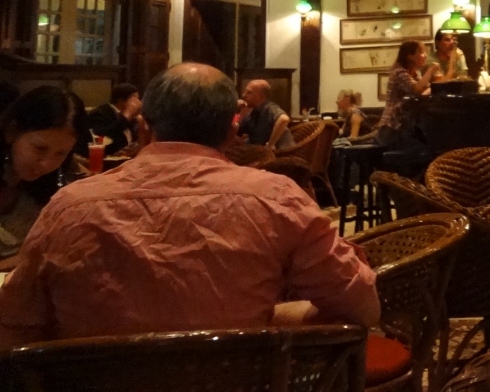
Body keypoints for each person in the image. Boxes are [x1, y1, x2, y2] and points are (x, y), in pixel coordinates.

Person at [0, 63, 379, 346]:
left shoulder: (69, 205)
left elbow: (15, 325)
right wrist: (270, 319)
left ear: (143, 127)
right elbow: (363, 307)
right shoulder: (278, 199)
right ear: (232, 133)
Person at [0, 87, 85, 263]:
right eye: (40, 148)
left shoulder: (47, 186)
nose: (47, 164)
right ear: (11, 131)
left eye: (60, 153)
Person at [376, 40, 431, 152]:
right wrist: (431, 70)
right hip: (392, 127)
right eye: (421, 52)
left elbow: (423, 92)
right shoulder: (399, 73)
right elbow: (416, 90)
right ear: (410, 56)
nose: (425, 56)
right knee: (421, 150)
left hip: (404, 126)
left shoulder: (415, 74)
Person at [237, 79, 294, 150]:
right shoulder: (253, 114)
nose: (243, 95)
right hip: (262, 154)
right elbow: (236, 130)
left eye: (249, 93)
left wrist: (270, 145)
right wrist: (234, 108)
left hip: (282, 154)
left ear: (260, 97)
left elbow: (284, 119)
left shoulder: (269, 107)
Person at [85, 83, 140, 156]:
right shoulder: (99, 113)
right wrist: (127, 115)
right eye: (135, 100)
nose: (138, 103)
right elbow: (102, 138)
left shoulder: (132, 117)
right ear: (122, 100)